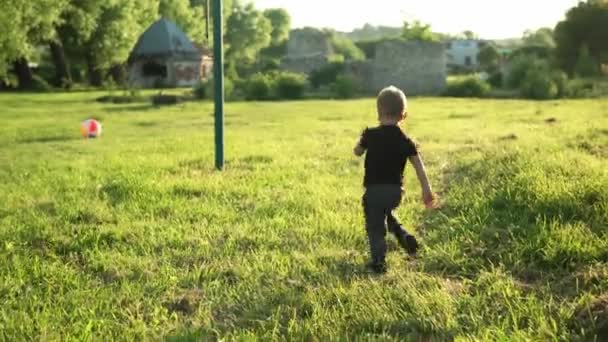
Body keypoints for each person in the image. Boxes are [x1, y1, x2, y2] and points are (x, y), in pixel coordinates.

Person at [353, 85, 435, 274]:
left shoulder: (370, 135)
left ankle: (379, 262)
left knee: (375, 227)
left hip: (374, 192)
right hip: (395, 193)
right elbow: (419, 167)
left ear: (379, 111)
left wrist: (361, 142)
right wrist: (427, 190)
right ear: (403, 115)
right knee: (384, 212)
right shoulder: (406, 141)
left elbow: (357, 152)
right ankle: (403, 235)